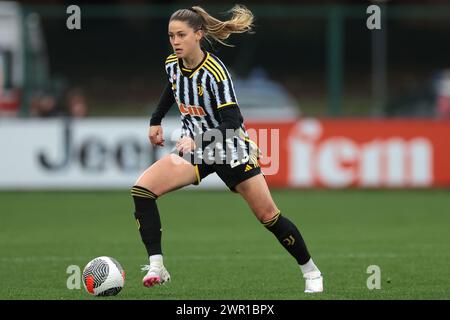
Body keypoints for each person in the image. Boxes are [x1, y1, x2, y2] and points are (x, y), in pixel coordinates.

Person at [131, 5, 323, 293]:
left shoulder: (215, 73)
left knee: (268, 216)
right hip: (195, 149)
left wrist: (197, 141)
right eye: (171, 35)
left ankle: (311, 271)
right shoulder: (173, 62)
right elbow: (173, 87)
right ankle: (157, 266)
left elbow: (233, 123)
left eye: (181, 35)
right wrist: (155, 120)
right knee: (142, 190)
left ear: (198, 34)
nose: (175, 41)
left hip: (229, 149)